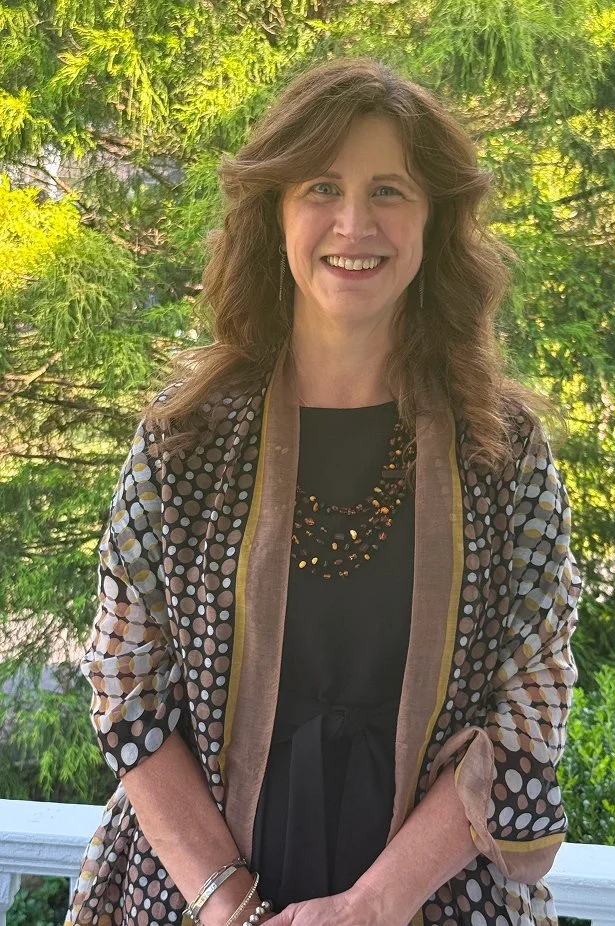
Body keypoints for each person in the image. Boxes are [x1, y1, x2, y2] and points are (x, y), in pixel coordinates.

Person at [65, 56, 583, 926]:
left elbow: (528, 711)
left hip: (432, 903)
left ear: (433, 221)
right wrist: (229, 905)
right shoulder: (183, 441)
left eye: (390, 190)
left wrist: (370, 908)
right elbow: (127, 694)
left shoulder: (503, 453)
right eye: (320, 187)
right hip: (192, 899)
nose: (354, 222)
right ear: (274, 213)